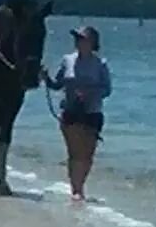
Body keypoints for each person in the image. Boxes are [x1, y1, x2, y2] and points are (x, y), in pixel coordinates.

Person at [44, 26, 112, 201]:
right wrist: (45, 78)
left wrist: (89, 92)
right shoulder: (67, 60)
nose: (78, 42)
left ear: (92, 43)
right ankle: (76, 189)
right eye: (77, 39)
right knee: (74, 153)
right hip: (71, 111)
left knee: (87, 154)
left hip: (92, 112)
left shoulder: (100, 64)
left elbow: (107, 90)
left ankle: (80, 185)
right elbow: (57, 84)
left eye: (82, 39)